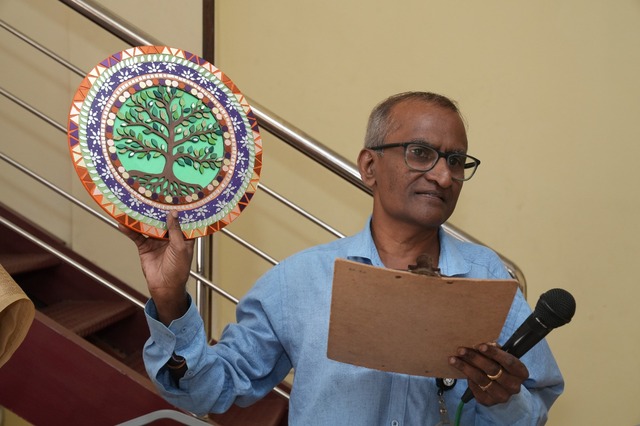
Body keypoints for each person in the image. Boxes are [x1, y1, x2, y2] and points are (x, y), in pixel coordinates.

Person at [121, 91, 564, 425]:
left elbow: (535, 411)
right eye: (421, 154)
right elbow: (207, 392)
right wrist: (170, 300)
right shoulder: (299, 281)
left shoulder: (487, 279)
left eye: (456, 160)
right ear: (369, 167)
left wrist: (505, 400)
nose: (444, 176)